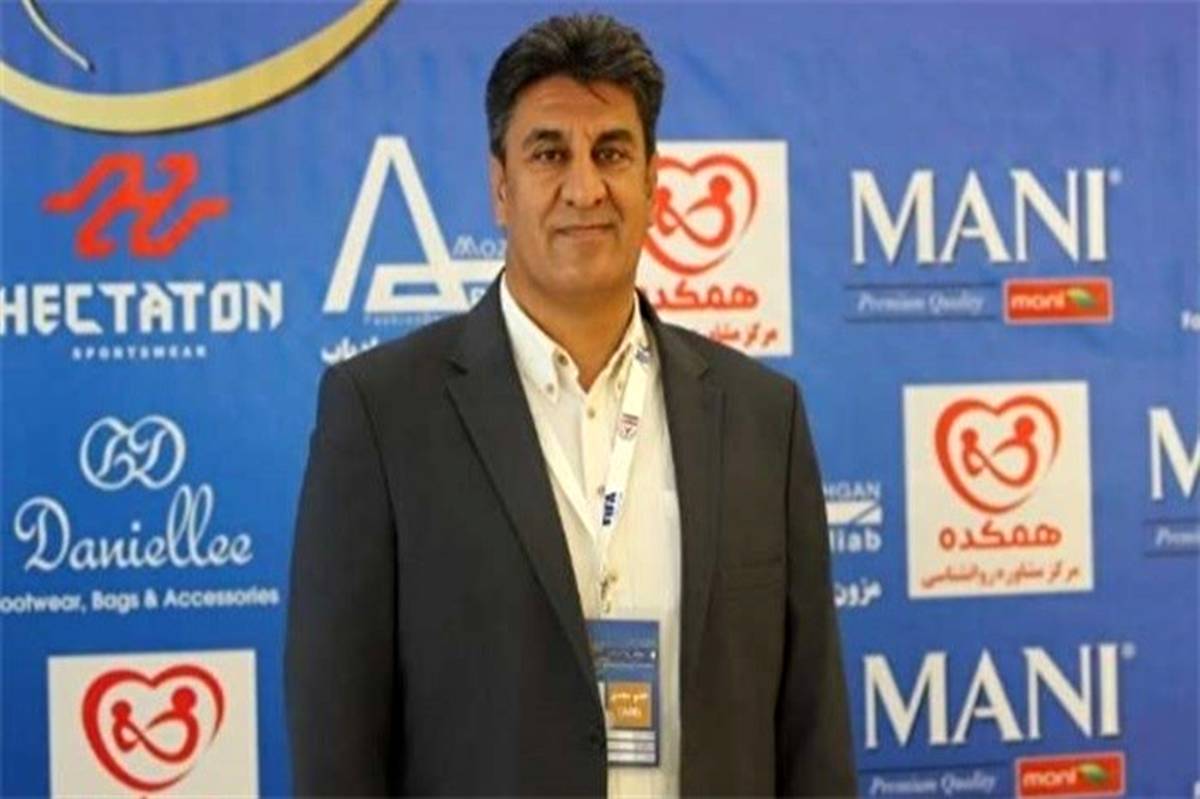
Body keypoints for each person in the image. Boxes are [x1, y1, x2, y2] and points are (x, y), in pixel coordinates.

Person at [286, 13, 855, 797]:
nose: (584, 188)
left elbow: (813, 731)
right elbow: (337, 747)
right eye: (549, 152)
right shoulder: (380, 414)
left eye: (611, 152)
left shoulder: (765, 418)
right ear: (501, 187)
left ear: (653, 182)